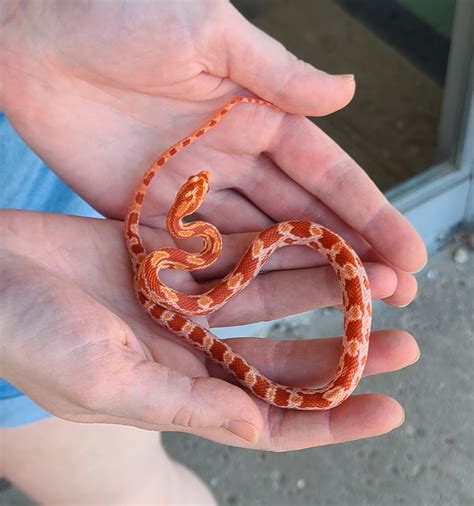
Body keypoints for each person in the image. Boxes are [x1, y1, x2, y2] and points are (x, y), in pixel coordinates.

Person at [0, 1, 426, 504]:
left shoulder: (177, 244)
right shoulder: (181, 250)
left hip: (65, 157)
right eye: (198, 188)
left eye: (194, 187)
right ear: (192, 209)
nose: (199, 184)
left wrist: (24, 17)